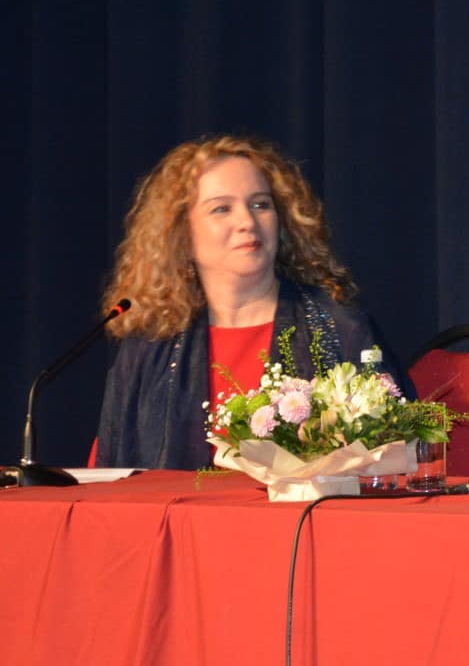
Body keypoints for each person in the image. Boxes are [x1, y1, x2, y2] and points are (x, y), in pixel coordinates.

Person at [95, 134, 409, 469]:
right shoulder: (149, 346)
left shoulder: (339, 329)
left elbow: (398, 457)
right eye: (221, 209)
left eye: (261, 205)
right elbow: (109, 471)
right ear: (181, 235)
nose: (247, 222)